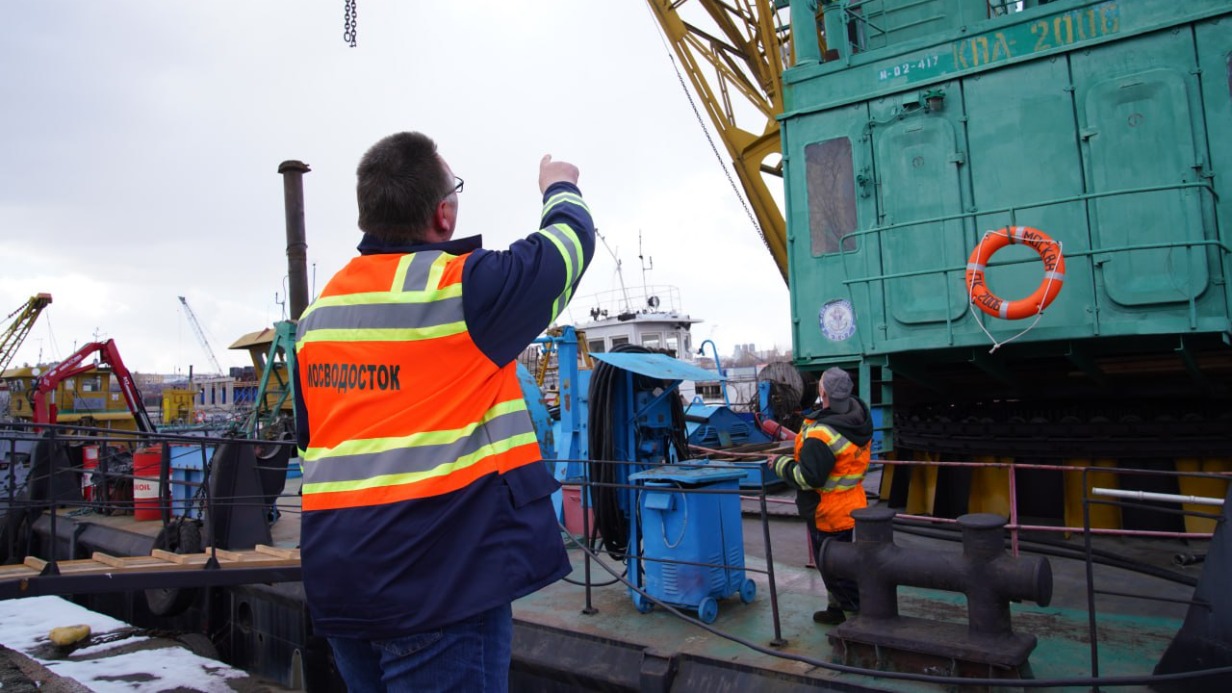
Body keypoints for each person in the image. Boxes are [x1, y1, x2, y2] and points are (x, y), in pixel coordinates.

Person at [292, 131, 595, 691]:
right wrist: (560, 185)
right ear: (443, 214)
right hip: (438, 584)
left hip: (340, 585)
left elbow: (312, 440)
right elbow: (567, 248)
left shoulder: (319, 317)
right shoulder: (464, 291)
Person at [768, 366, 873, 626]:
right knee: (840, 564)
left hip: (826, 511)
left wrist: (779, 464)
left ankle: (854, 623)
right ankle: (835, 609)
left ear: (822, 391)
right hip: (850, 504)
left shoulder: (821, 434)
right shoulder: (858, 416)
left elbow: (808, 478)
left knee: (834, 569)